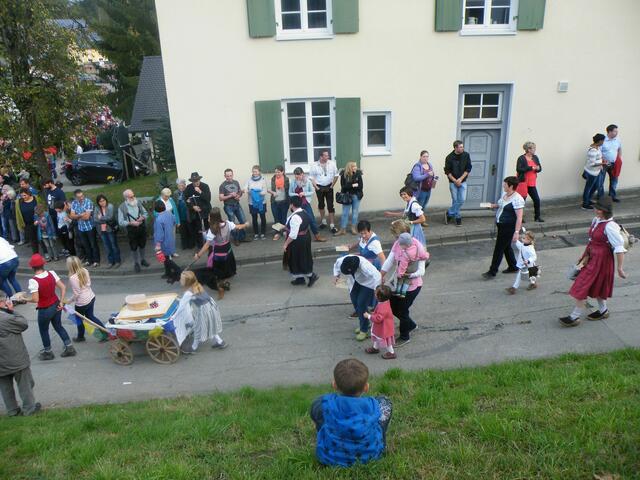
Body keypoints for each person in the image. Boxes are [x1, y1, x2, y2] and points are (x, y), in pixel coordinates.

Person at [310, 359, 392, 467]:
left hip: (329, 457)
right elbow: (382, 407)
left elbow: (315, 413)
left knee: (319, 406)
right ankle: (381, 443)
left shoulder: (326, 404)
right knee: (385, 401)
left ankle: (327, 437)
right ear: (366, 387)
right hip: (371, 456)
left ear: (334, 385)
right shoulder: (373, 405)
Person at [560, 197, 627, 327]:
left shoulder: (610, 226)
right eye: (596, 207)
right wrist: (584, 256)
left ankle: (574, 316)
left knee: (581, 285)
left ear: (604, 211)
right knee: (597, 285)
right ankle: (603, 310)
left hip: (602, 260)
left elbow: (619, 248)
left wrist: (620, 268)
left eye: (598, 208)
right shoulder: (596, 220)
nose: (595, 210)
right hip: (592, 256)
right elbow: (592, 240)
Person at [380, 220, 428, 347]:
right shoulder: (397, 244)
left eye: (397, 236)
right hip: (398, 283)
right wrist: (381, 274)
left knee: (402, 311)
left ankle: (404, 336)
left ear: (406, 233)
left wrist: (408, 275)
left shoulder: (418, 246)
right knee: (393, 307)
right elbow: (390, 260)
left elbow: (421, 271)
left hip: (412, 286)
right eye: (395, 237)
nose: (396, 240)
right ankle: (410, 325)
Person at [24, 254, 76, 360]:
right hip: (56, 304)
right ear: (43, 264)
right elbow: (63, 287)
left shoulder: (33, 281)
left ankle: (48, 352)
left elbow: (35, 299)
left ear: (32, 267)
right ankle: (69, 347)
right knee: (58, 326)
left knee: (44, 330)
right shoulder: (51, 273)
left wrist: (24, 299)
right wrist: (61, 302)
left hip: (45, 309)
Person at [0, 296, 41, 416]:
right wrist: (12, 310)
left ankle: (12, 410)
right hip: (15, 358)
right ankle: (29, 409)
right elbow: (23, 324)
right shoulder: (6, 318)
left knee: (5, 387)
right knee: (25, 384)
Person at [194, 208, 248, 299]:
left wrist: (198, 255)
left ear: (212, 218)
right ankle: (225, 282)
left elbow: (207, 245)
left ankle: (221, 287)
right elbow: (238, 227)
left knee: (218, 272)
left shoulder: (212, 230)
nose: (208, 218)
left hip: (219, 254)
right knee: (227, 268)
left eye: (209, 217)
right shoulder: (228, 224)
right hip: (228, 251)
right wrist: (245, 224)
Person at [170, 271, 227, 353]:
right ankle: (220, 342)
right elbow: (191, 299)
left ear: (187, 282)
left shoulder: (188, 293)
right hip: (211, 306)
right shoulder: (197, 285)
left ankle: (194, 347)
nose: (180, 280)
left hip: (204, 310)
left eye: (182, 279)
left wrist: (173, 316)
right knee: (210, 325)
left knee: (198, 328)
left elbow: (181, 307)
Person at [482, 177, 524, 279]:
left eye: (505, 184)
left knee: (499, 249)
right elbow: (501, 205)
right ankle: (513, 266)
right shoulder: (506, 195)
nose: (503, 186)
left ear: (511, 186)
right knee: (506, 247)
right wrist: (492, 205)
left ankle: (492, 271)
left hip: (508, 227)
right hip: (501, 225)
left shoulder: (518, 199)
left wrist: (516, 232)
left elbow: (519, 217)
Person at [333, 254, 381, 341]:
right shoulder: (341, 261)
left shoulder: (365, 266)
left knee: (361, 304)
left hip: (367, 283)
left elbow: (378, 276)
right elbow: (336, 265)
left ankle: (364, 330)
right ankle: (365, 323)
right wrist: (336, 275)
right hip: (354, 282)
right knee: (355, 302)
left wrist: (376, 290)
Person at [65, 256, 106, 342]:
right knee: (91, 316)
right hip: (91, 297)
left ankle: (80, 337)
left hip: (82, 302)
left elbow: (77, 293)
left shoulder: (72, 278)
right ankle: (104, 332)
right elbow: (88, 284)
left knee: (79, 319)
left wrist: (69, 300)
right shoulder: (85, 270)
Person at [283, 196, 320, 286]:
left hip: (298, 241)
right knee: (300, 257)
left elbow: (293, 234)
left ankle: (311, 276)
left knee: (299, 258)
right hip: (305, 237)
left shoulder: (295, 217)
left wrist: (286, 244)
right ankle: (299, 278)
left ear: (292, 205)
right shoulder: (303, 211)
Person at [289, 167, 326, 242]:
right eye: (296, 175)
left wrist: (304, 193)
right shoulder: (293, 182)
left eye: (299, 175)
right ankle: (295, 237)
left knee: (311, 219)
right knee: (297, 221)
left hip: (305, 203)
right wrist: (297, 194)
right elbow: (290, 193)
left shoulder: (307, 181)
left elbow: (312, 192)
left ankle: (317, 236)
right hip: (296, 205)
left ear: (302, 174)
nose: (297, 176)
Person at [118, 189, 149, 273]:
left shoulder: (138, 203)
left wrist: (142, 217)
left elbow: (146, 213)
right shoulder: (122, 207)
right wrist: (130, 223)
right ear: (126, 198)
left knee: (142, 245)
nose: (133, 198)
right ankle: (136, 263)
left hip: (141, 227)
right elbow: (120, 222)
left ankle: (142, 260)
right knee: (134, 247)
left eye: (133, 195)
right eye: (131, 197)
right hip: (131, 229)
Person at [443, 140, 472, 226]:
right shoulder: (449, 157)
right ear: (455, 148)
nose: (462, 148)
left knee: (462, 200)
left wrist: (460, 179)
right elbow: (447, 171)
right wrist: (455, 180)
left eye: (463, 147)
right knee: (455, 200)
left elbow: (468, 168)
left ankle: (449, 213)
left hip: (463, 181)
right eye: (460, 147)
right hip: (453, 182)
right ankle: (457, 217)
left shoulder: (466, 155)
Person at [309, 150, 339, 234]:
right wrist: (316, 187)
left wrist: (332, 186)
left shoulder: (332, 164)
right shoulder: (314, 165)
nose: (328, 157)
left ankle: (332, 225)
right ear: (321, 156)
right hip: (319, 187)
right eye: (326, 155)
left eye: (328, 155)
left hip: (329, 186)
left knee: (330, 206)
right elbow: (311, 177)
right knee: (321, 205)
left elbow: (336, 175)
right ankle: (323, 222)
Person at [363, 285, 396, 359]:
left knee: (385, 340)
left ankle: (391, 353)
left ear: (379, 297)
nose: (374, 293)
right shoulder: (384, 302)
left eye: (375, 293)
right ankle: (375, 348)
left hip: (384, 328)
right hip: (382, 327)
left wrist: (369, 316)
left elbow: (378, 319)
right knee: (377, 337)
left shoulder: (383, 307)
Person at [393, 232, 429, 298]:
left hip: (408, 268)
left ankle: (398, 291)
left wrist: (400, 273)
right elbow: (423, 255)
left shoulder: (405, 254)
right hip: (414, 268)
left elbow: (403, 265)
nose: (400, 245)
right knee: (408, 280)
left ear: (406, 245)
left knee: (401, 279)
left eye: (401, 244)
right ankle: (403, 293)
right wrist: (427, 255)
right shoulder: (416, 247)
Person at [70, 189, 100, 267]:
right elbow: (71, 216)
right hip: (81, 228)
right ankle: (89, 260)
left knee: (93, 244)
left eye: (82, 196)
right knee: (85, 245)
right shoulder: (74, 203)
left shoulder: (88, 202)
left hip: (90, 227)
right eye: (79, 197)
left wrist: (77, 216)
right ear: (75, 197)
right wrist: (81, 215)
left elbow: (87, 217)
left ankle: (96, 260)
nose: (81, 198)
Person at [515, 142, 544, 222]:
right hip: (523, 182)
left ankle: (537, 217)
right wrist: (531, 168)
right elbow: (519, 169)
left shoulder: (535, 157)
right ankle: (519, 218)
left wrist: (538, 169)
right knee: (522, 201)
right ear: (528, 149)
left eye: (534, 148)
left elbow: (539, 168)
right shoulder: (521, 158)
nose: (535, 150)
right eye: (533, 148)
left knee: (536, 200)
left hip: (532, 182)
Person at [336, 161, 364, 237]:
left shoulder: (358, 174)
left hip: (356, 196)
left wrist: (350, 185)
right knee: (345, 213)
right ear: (350, 167)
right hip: (347, 196)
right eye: (354, 166)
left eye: (356, 166)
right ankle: (343, 229)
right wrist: (353, 185)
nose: (355, 167)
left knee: (355, 213)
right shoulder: (344, 175)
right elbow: (343, 187)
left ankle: (353, 228)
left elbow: (360, 186)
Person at [506, 230, 538, 294]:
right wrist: (515, 240)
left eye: (524, 238)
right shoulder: (523, 245)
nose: (522, 239)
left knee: (524, 275)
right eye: (522, 238)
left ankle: (514, 288)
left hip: (529, 265)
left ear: (529, 240)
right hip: (524, 264)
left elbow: (534, 256)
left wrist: (528, 261)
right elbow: (520, 246)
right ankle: (532, 283)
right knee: (525, 275)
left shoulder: (530, 248)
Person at [218, 169, 246, 245]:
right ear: (224, 176)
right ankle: (236, 239)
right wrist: (231, 195)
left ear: (233, 175)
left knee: (243, 221)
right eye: (227, 176)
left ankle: (242, 237)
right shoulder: (222, 185)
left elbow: (239, 193)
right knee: (232, 224)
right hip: (228, 206)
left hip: (237, 204)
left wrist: (238, 195)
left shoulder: (236, 182)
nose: (229, 177)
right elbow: (221, 198)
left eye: (230, 175)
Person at [185, 172, 212, 248]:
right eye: (194, 181)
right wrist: (193, 207)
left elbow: (208, 199)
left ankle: (209, 244)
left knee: (208, 228)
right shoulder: (188, 188)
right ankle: (200, 245)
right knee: (198, 229)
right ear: (192, 181)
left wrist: (200, 191)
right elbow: (186, 200)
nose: (196, 182)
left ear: (199, 179)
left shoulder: (205, 186)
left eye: (197, 180)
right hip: (195, 213)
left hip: (206, 211)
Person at [93, 195, 121, 268]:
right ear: (98, 202)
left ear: (106, 200)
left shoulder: (110, 206)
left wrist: (101, 218)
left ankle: (117, 261)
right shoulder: (97, 208)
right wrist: (104, 219)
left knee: (113, 245)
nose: (102, 202)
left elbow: (110, 217)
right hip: (102, 230)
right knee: (107, 246)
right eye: (100, 201)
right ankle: (111, 261)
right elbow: (95, 219)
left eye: (103, 200)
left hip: (110, 229)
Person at [581, 134, 605, 210]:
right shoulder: (593, 150)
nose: (603, 142)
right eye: (603, 141)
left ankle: (588, 200)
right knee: (588, 188)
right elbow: (592, 164)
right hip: (591, 173)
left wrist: (602, 161)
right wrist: (603, 164)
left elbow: (599, 158)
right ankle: (585, 204)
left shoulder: (597, 147)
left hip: (597, 171)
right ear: (600, 141)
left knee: (595, 186)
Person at [244, 165, 268, 240]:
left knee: (262, 217)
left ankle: (263, 233)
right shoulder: (249, 180)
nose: (254, 173)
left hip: (261, 202)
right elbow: (245, 189)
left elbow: (265, 191)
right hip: (252, 203)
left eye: (256, 171)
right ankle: (256, 234)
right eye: (253, 171)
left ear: (259, 172)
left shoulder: (263, 180)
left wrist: (257, 193)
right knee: (254, 218)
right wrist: (249, 191)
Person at [16, 188, 41, 254]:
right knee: (33, 240)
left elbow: (41, 208)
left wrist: (40, 219)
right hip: (27, 224)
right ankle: (36, 254)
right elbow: (17, 214)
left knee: (41, 238)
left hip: (38, 222)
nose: (23, 197)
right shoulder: (18, 202)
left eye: (24, 195)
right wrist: (19, 224)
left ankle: (47, 252)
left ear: (29, 194)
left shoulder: (36, 198)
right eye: (21, 195)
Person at [601, 124, 622, 203]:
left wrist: (619, 158)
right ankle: (601, 197)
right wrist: (603, 161)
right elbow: (599, 152)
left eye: (617, 131)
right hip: (604, 164)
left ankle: (612, 196)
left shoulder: (618, 140)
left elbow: (619, 149)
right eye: (615, 131)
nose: (617, 133)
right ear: (609, 132)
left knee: (614, 180)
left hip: (614, 164)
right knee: (601, 181)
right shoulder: (602, 140)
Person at [268, 165, 289, 240]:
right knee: (276, 218)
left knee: (283, 217)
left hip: (284, 201)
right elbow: (268, 189)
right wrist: (273, 192)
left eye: (279, 172)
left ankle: (284, 231)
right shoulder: (273, 179)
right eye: (276, 172)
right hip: (274, 201)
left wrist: (283, 188)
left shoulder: (286, 179)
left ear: (282, 172)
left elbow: (288, 189)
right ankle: (277, 233)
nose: (277, 174)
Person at [153, 200, 177, 270]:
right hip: (170, 238)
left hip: (163, 242)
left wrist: (158, 245)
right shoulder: (169, 214)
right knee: (166, 258)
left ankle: (178, 270)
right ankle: (168, 272)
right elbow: (174, 222)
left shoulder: (159, 219)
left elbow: (159, 233)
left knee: (166, 259)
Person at [174, 179, 192, 249]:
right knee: (182, 231)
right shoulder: (175, 193)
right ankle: (184, 245)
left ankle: (190, 245)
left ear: (185, 185)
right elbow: (175, 204)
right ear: (177, 186)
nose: (181, 187)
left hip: (188, 214)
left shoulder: (188, 191)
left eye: (182, 185)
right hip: (180, 214)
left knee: (189, 230)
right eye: (179, 185)